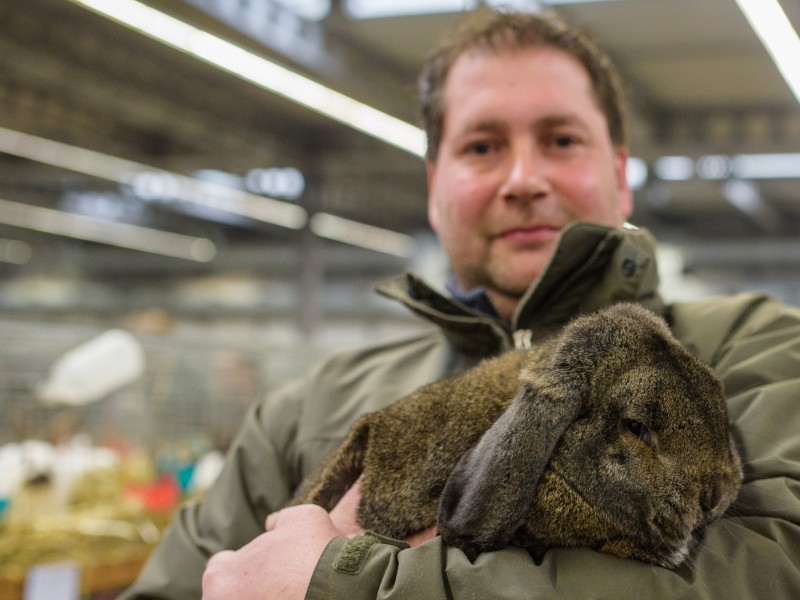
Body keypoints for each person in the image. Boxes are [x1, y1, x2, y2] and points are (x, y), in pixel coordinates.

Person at [121, 8, 800, 599]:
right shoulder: (304, 416)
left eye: (560, 139)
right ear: (435, 184)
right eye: (482, 146)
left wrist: (344, 585)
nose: (523, 179)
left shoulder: (754, 348)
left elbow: (773, 571)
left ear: (619, 176)